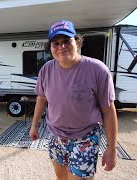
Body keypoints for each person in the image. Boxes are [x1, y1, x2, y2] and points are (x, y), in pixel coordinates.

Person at [29, 20, 118, 180]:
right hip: (56, 136)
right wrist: (34, 125)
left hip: (85, 138)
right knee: (61, 177)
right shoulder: (46, 70)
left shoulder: (97, 70)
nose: (61, 47)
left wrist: (112, 149)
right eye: (55, 43)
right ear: (50, 48)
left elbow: (108, 110)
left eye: (66, 41)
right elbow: (41, 99)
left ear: (77, 41)